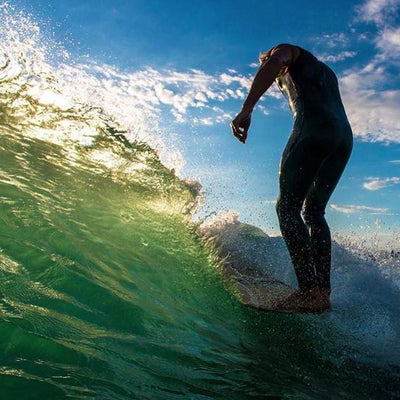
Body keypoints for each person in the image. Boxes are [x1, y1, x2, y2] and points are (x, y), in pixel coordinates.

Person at [231, 44, 353, 312]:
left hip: (314, 128)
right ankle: (322, 291)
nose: (277, 82)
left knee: (286, 206)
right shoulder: (326, 74)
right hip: (343, 137)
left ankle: (308, 291)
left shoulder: (285, 52)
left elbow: (275, 62)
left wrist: (247, 109)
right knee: (314, 212)